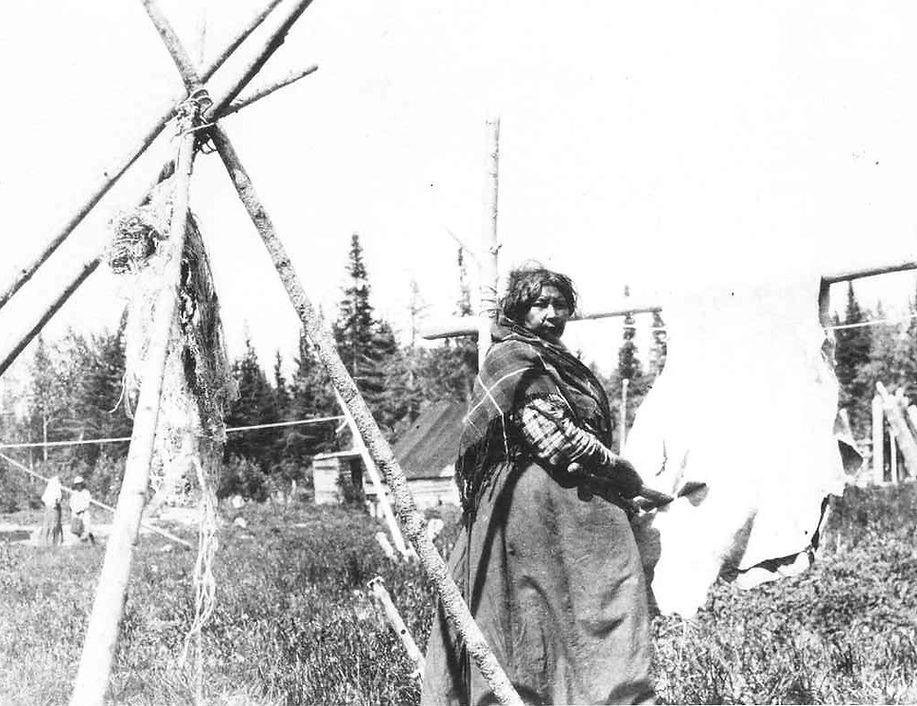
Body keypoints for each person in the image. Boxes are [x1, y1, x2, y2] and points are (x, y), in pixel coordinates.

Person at [422, 266, 655, 705]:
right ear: (518, 309)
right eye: (540, 304)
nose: (552, 313)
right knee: (522, 610)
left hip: (568, 502)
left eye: (560, 305)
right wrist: (623, 473)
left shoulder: (554, 359)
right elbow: (553, 437)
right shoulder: (511, 357)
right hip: (522, 507)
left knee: (585, 607)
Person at [38, 476, 64, 547]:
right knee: (54, 526)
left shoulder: (48, 490)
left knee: (47, 526)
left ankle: (46, 543)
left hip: (48, 510)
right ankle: (53, 543)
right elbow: (58, 499)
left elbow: (43, 499)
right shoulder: (56, 490)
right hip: (54, 510)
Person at [69, 476, 95, 545]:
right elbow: (71, 503)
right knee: (77, 528)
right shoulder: (74, 493)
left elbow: (87, 503)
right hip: (76, 513)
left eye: (79, 484)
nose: (78, 486)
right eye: (77, 484)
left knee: (87, 527)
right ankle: (80, 542)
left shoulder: (86, 492)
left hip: (84, 512)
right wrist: (75, 511)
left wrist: (82, 511)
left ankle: (91, 542)